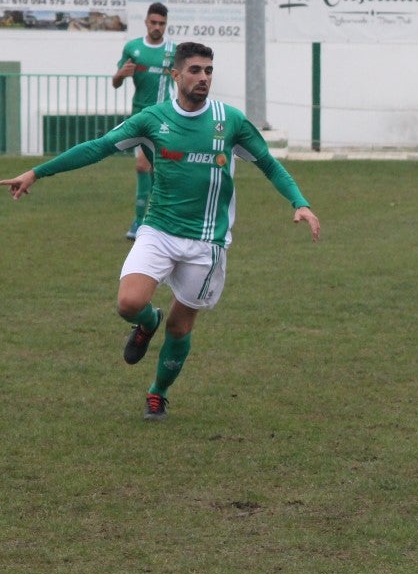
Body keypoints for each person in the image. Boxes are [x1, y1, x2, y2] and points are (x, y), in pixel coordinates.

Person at [2, 42, 320, 421]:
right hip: (159, 230)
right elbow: (98, 147)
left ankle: (158, 392)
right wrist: (37, 172)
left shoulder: (229, 121)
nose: (203, 77)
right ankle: (146, 322)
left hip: (207, 241)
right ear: (176, 75)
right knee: (128, 305)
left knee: (181, 325)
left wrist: (299, 201)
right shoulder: (153, 120)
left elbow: (268, 164)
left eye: (208, 71)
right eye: (195, 70)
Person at [112, 1, 176, 240]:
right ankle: (149, 219)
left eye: (162, 23)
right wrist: (120, 74)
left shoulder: (173, 51)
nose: (157, 27)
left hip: (163, 115)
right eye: (154, 22)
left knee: (145, 166)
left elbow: (182, 81)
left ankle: (142, 221)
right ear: (147, 22)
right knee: (151, 169)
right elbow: (116, 82)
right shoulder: (133, 48)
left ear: (166, 24)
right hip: (139, 114)